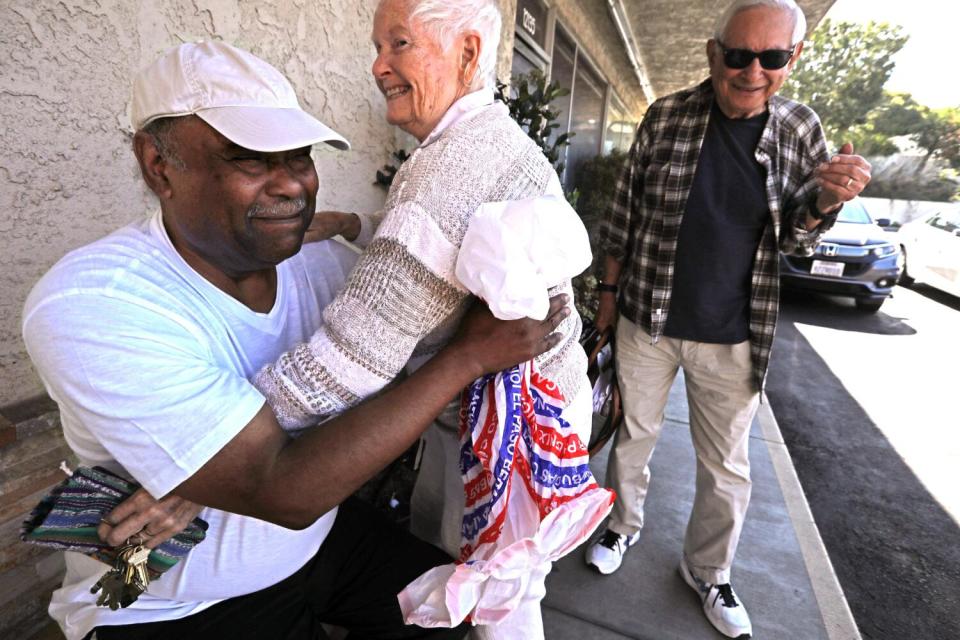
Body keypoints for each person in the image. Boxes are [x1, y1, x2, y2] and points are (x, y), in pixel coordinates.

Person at [22, 40, 571, 640]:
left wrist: (197, 491)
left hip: (317, 544)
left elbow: (400, 368)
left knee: (465, 609)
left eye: (300, 156)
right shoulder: (95, 302)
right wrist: (469, 355)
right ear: (158, 164)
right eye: (250, 160)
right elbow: (280, 489)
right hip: (181, 608)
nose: (292, 186)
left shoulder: (325, 265)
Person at [250, 1, 596, 637]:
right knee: (477, 578)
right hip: (532, 407)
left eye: (399, 44)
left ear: (467, 54)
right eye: (378, 46)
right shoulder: (485, 138)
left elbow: (351, 359)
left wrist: (211, 455)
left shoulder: (447, 167)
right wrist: (356, 225)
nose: (378, 66)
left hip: (513, 431)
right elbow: (444, 247)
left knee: (497, 604)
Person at [582, 0, 871, 637]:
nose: (752, 71)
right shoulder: (668, 115)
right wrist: (607, 296)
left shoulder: (800, 130)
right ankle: (621, 526)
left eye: (771, 58)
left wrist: (824, 201)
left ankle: (709, 570)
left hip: (737, 333)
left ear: (791, 60)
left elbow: (798, 242)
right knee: (633, 437)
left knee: (727, 467)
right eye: (738, 55)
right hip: (646, 319)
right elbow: (625, 211)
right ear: (714, 53)